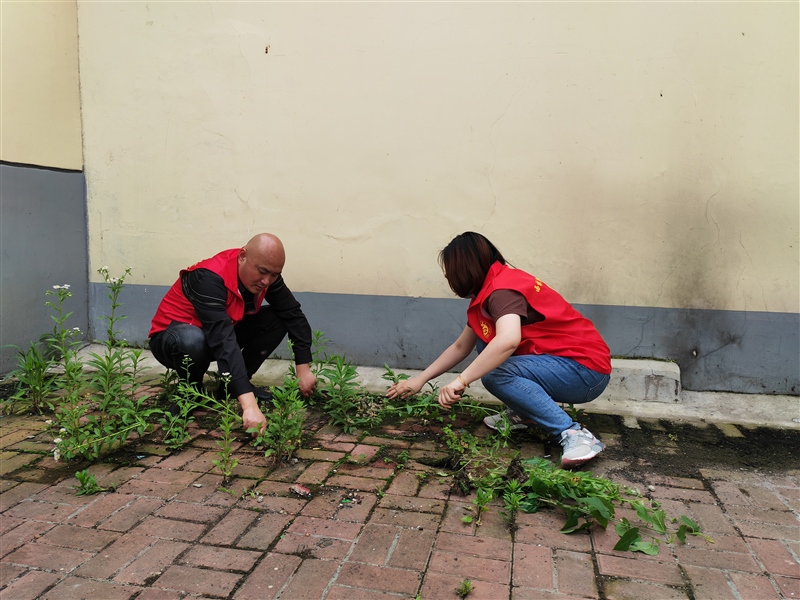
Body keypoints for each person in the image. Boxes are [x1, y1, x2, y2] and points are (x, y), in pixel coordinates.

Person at [386, 232, 612, 468]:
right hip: (566, 363)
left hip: (585, 371)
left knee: (496, 373)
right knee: (486, 344)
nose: (447, 275)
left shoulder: (501, 291)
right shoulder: (491, 289)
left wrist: (461, 381)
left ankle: (575, 434)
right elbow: (461, 346)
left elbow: (508, 341)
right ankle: (527, 413)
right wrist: (419, 380)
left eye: (449, 269)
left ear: (465, 268)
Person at [149, 233, 317, 434]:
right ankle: (190, 392)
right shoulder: (208, 278)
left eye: (274, 274)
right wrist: (249, 406)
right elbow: (223, 341)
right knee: (192, 339)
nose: (266, 281)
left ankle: (231, 387)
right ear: (242, 256)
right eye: (262, 272)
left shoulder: (266, 276)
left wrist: (303, 368)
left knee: (277, 318)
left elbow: (293, 314)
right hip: (173, 340)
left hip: (214, 335)